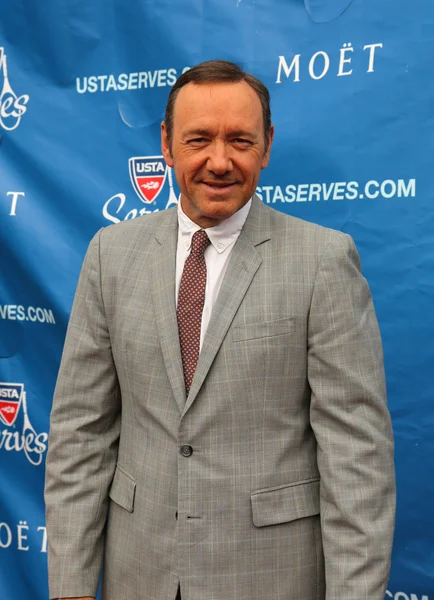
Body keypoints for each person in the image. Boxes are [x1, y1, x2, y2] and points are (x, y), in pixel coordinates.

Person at [45, 60, 395, 600]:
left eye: (240, 140)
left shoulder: (323, 262)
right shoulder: (109, 257)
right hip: (139, 577)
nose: (219, 161)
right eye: (199, 139)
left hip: (270, 579)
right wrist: (68, 587)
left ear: (267, 145)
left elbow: (358, 464)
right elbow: (80, 437)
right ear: (166, 144)